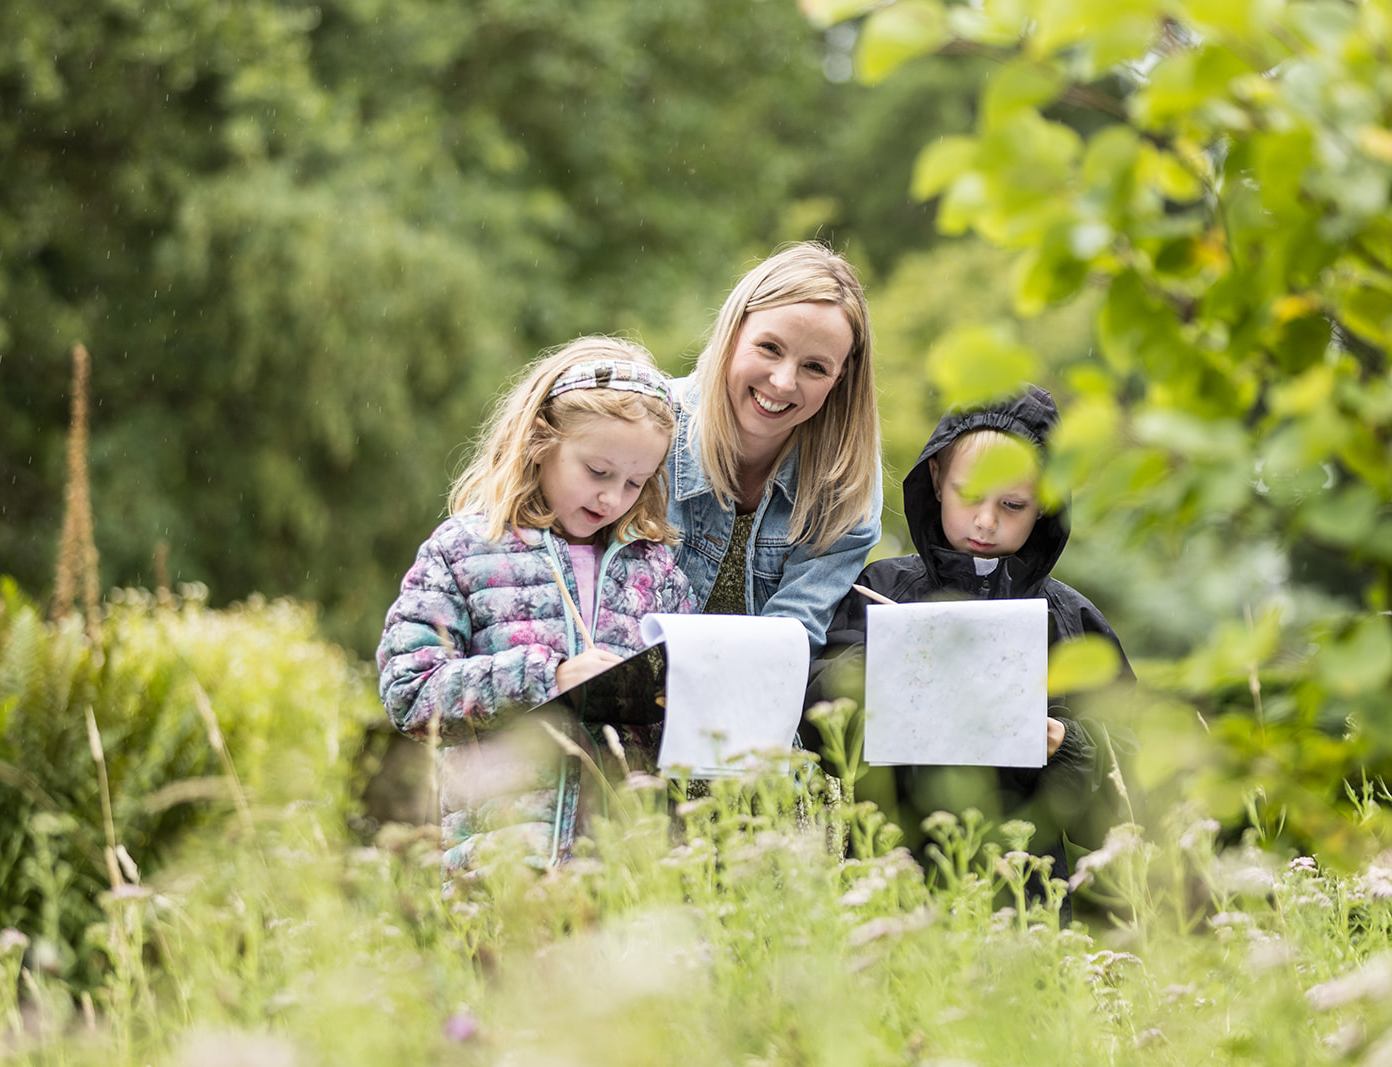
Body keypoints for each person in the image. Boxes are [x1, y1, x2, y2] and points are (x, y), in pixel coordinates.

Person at [807, 386, 1133, 907]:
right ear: (936, 480)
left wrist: (1066, 743)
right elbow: (814, 722)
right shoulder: (879, 590)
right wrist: (896, 658)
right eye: (969, 495)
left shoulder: (1071, 618)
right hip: (889, 886)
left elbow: (1130, 783)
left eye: (1012, 504)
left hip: (1027, 900)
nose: (986, 521)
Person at [376, 337, 694, 872]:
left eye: (635, 482)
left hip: (626, 876)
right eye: (597, 472)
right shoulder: (465, 550)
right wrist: (551, 678)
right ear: (540, 443)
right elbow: (410, 693)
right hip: (499, 870)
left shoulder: (656, 571)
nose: (612, 498)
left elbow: (686, 709)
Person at [667, 242, 882, 650]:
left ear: (840, 378)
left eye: (815, 367)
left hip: (755, 702)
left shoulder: (845, 484)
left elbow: (790, 640)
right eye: (770, 348)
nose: (783, 382)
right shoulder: (650, 427)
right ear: (733, 334)